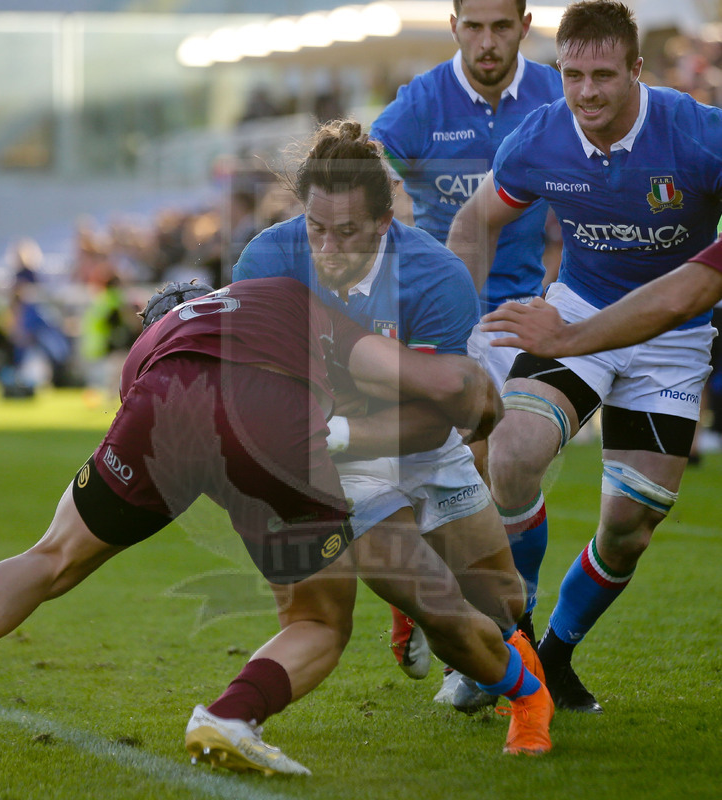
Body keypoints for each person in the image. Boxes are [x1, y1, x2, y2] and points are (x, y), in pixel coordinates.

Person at [0, 276, 552, 778]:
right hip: (274, 420)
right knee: (319, 621)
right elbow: (436, 383)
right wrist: (477, 401)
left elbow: (195, 434)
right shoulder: (284, 295)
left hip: (159, 400)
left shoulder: (148, 344)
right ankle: (232, 717)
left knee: (50, 558)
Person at [232, 119, 553, 731]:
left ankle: (473, 647)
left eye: (347, 233)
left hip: (412, 444)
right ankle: (528, 706)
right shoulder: (267, 259)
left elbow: (434, 429)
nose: (327, 249)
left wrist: (336, 427)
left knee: (503, 603)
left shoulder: (436, 277)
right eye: (316, 228)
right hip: (337, 466)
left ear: (384, 224)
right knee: (436, 600)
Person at [447, 0, 722, 713]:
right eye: (572, 75)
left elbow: (686, 294)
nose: (587, 93)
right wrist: (447, 324)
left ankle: (556, 655)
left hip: (675, 337)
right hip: (576, 309)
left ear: (637, 69)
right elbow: (477, 219)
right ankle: (518, 641)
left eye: (603, 75)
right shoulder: (540, 137)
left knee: (629, 530)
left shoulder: (699, 137)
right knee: (510, 453)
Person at [369, 0, 563, 697]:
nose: (486, 43)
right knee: (458, 474)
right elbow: (366, 161)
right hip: (436, 319)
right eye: (473, 27)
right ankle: (479, 638)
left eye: (500, 27)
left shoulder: (552, 93)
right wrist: (391, 194)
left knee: (497, 465)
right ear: (453, 25)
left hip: (522, 316)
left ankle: (490, 635)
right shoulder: (421, 102)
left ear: (525, 24)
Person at [482, 237, 722, 356]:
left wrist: (565, 338)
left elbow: (678, 302)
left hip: (676, 331)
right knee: (515, 438)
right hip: (581, 300)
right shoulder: (535, 147)